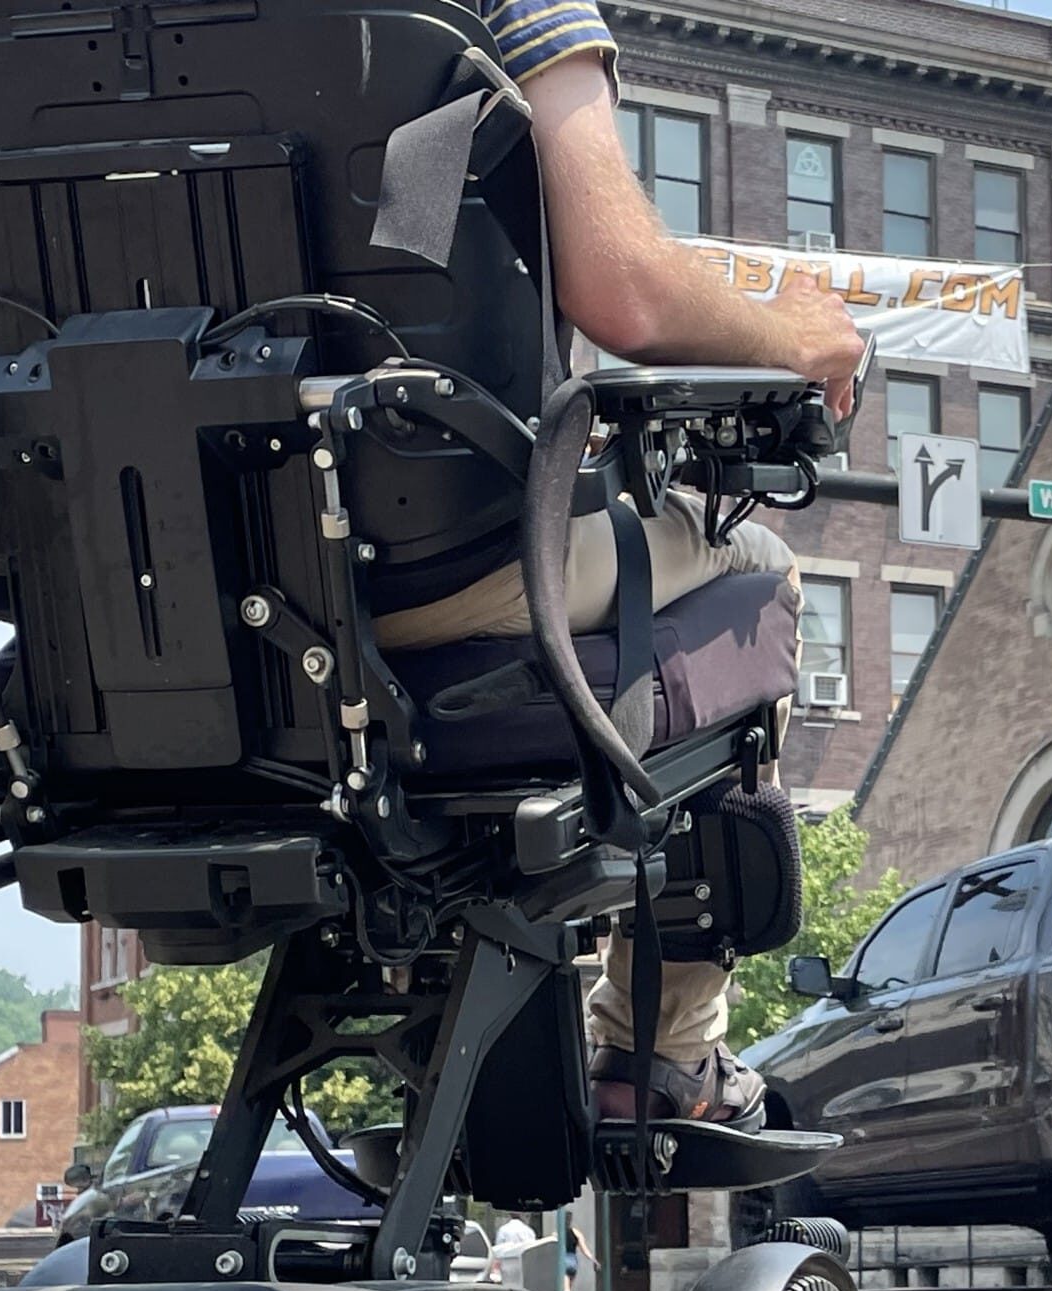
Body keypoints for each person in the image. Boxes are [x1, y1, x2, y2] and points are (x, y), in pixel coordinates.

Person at [370, 0, 865, 1131]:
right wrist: (791, 334)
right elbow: (625, 292)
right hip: (440, 564)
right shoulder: (499, 5)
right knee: (760, 564)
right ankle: (667, 1052)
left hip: (119, 621)